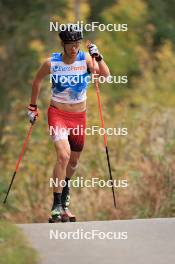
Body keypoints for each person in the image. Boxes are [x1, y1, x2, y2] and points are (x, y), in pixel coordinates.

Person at [27, 24, 110, 222]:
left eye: (77, 44)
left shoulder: (87, 60)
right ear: (62, 44)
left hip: (79, 117)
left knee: (73, 162)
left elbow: (106, 76)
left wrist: (98, 57)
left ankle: (64, 198)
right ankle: (56, 205)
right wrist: (32, 107)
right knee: (63, 156)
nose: (74, 49)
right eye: (70, 45)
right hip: (58, 114)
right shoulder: (51, 63)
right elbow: (37, 81)